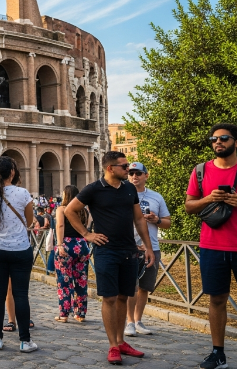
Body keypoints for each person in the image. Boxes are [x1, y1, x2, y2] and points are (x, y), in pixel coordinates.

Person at [65, 150, 154, 365]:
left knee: (124, 296)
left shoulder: (129, 189)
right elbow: (69, 210)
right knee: (110, 298)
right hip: (106, 251)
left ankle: (121, 341)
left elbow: (139, 219)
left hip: (128, 250)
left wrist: (148, 247)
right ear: (110, 168)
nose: (128, 170)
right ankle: (113, 345)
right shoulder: (94, 189)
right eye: (124, 167)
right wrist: (87, 234)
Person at [185, 123, 237, 369]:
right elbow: (189, 206)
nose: (218, 142)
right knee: (216, 299)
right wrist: (208, 199)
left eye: (224, 138)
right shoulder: (201, 170)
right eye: (213, 139)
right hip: (212, 246)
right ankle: (218, 354)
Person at [0, 156, 38, 353]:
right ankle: (25, 341)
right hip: (20, 249)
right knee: (21, 294)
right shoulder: (23, 193)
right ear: (12, 172)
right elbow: (29, 221)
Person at [124, 162, 171, 336]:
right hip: (129, 247)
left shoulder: (156, 197)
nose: (134, 176)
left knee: (145, 287)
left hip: (151, 248)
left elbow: (167, 222)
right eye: (131, 173)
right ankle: (129, 322)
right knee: (131, 286)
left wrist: (156, 220)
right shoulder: (123, 195)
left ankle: (138, 321)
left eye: (138, 173)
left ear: (146, 175)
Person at [54, 185, 91, 323]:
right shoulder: (84, 211)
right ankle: (80, 313)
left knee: (64, 281)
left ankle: (64, 314)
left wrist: (59, 244)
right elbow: (86, 227)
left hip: (67, 245)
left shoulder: (61, 209)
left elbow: (60, 225)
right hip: (82, 245)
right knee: (81, 280)